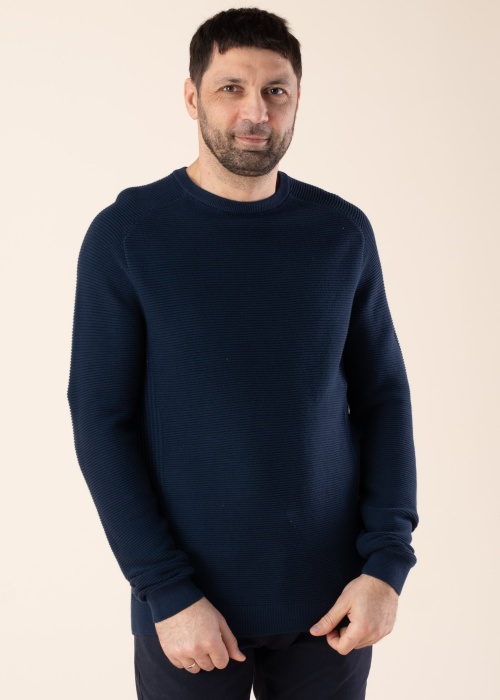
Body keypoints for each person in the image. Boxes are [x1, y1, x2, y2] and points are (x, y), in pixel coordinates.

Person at [68, 7, 418, 699]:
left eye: (275, 91)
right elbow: (100, 419)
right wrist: (164, 588)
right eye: (231, 88)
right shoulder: (129, 234)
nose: (256, 112)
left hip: (333, 605)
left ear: (297, 100)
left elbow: (383, 398)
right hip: (190, 609)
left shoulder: (341, 232)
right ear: (192, 96)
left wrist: (386, 566)